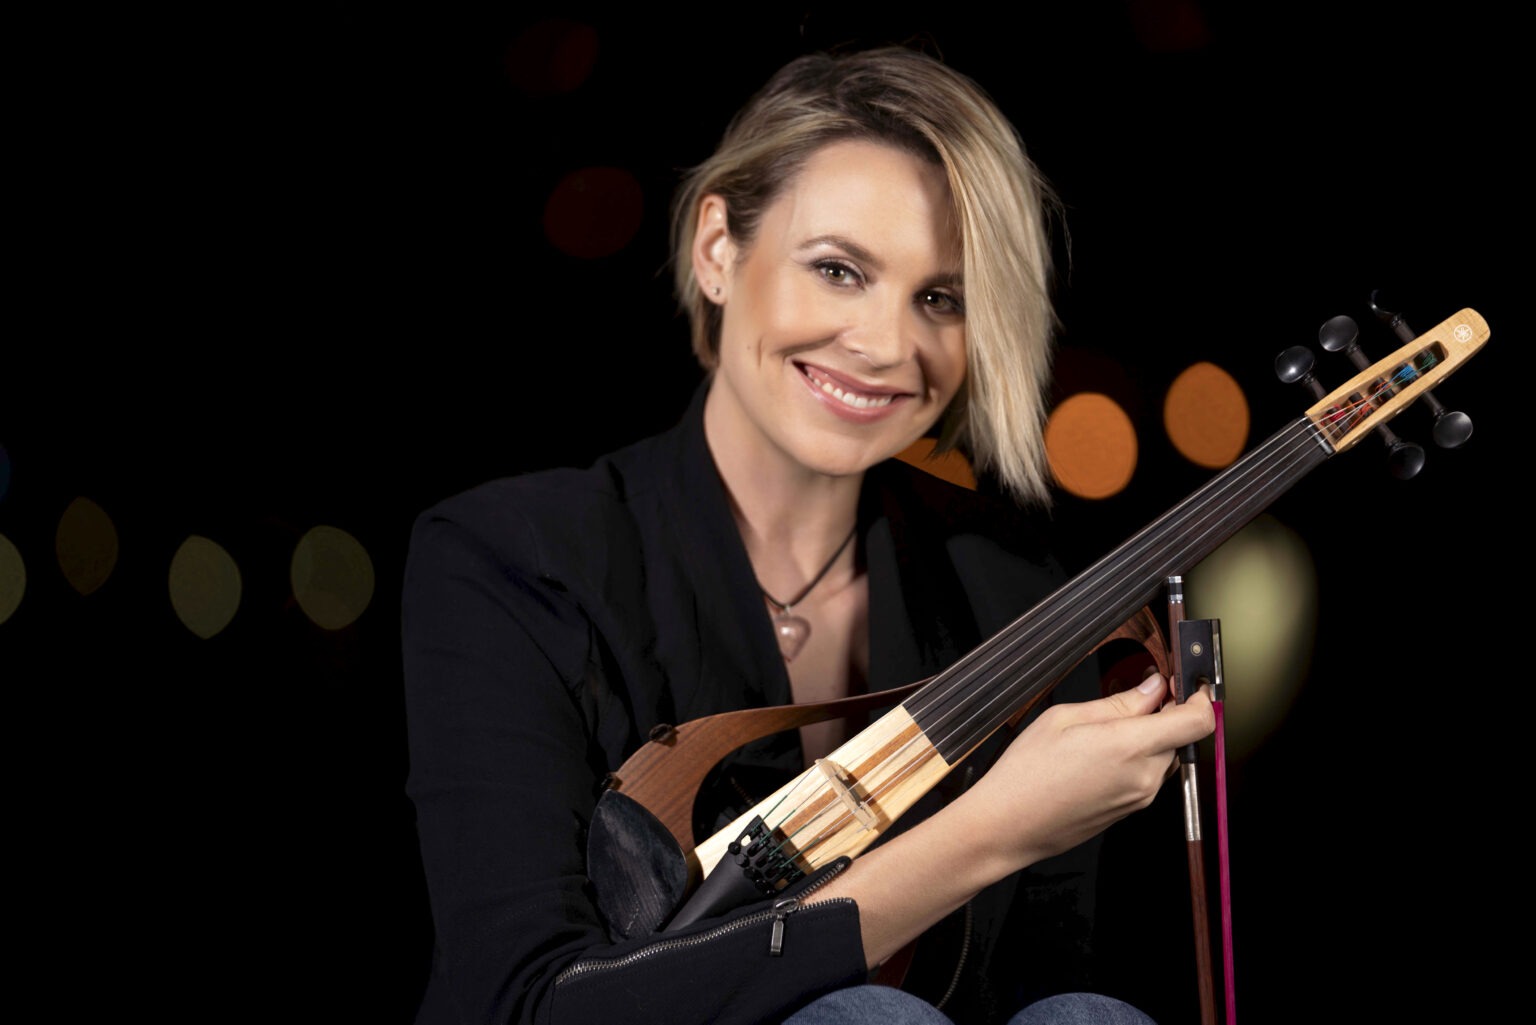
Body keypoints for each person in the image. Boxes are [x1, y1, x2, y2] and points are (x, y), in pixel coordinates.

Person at [401, 45, 1214, 1025]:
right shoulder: (510, 556)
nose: (886, 346)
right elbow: (529, 1003)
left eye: (941, 297)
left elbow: (1035, 974)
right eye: (838, 269)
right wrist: (994, 828)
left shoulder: (1006, 586)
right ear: (717, 250)